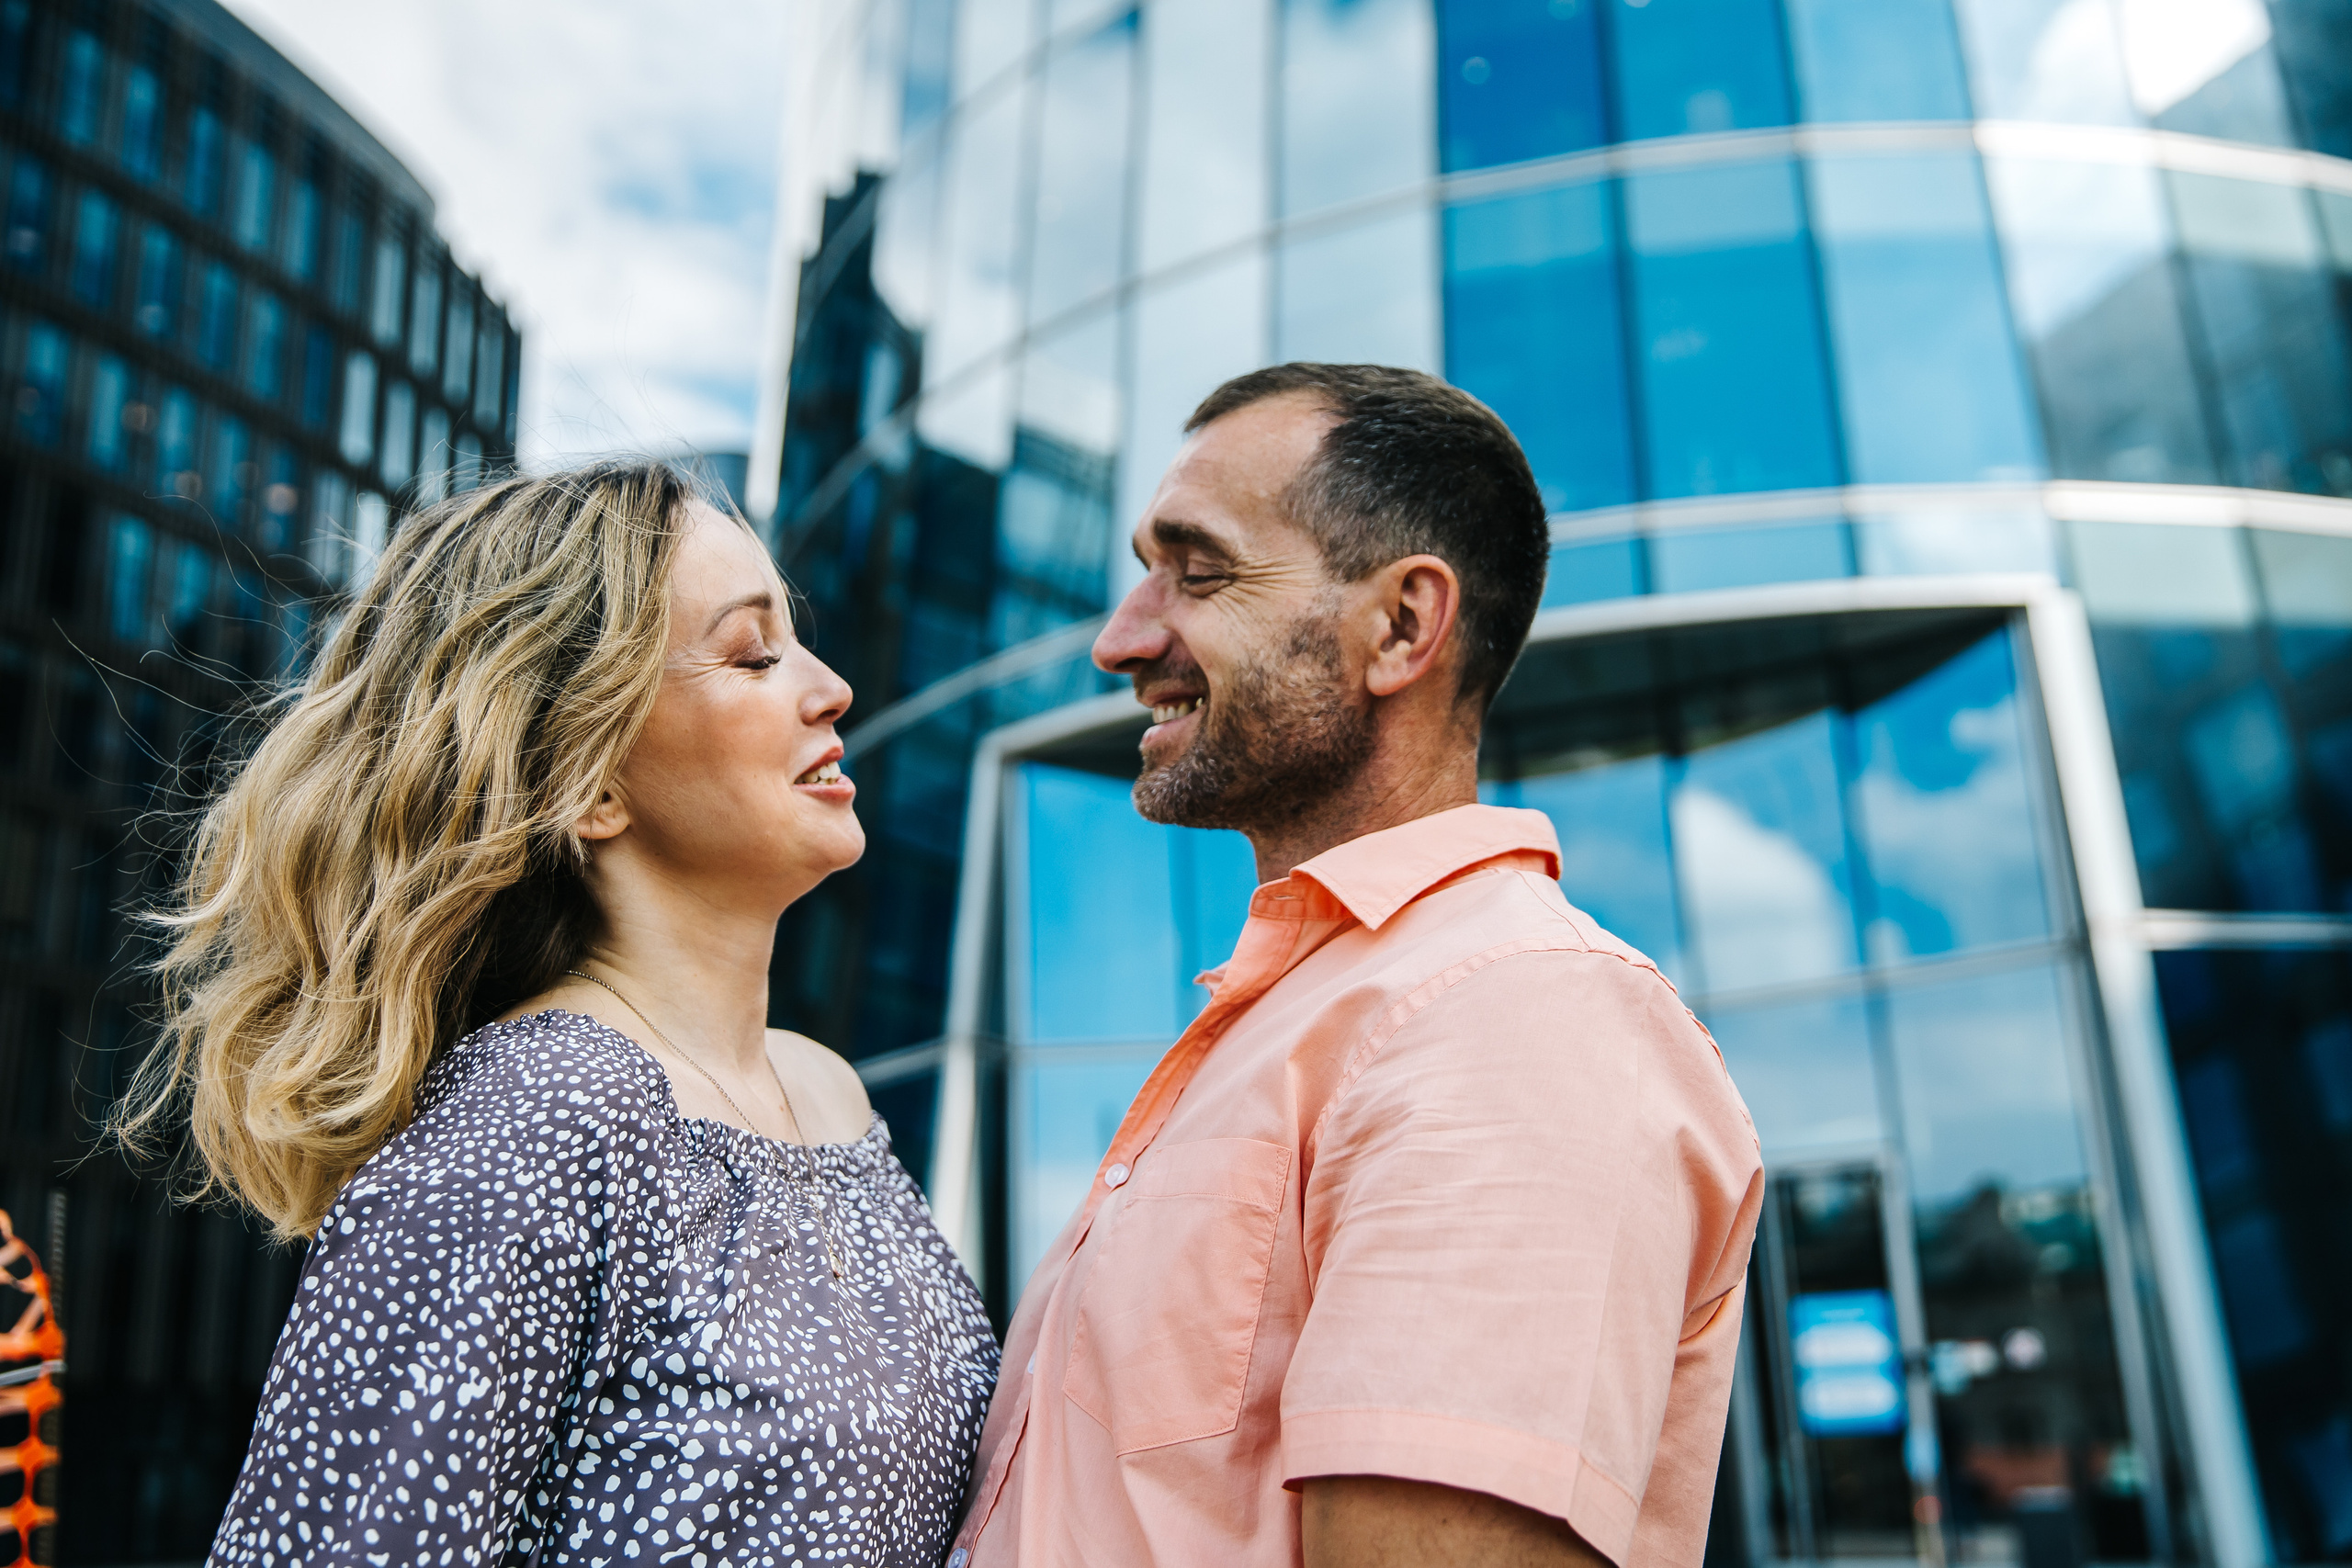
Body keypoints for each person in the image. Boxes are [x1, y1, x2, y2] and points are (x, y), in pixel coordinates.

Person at [948, 366, 1763, 1568]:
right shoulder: (1296, 1017)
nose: (1121, 639)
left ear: (1399, 627)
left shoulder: (1518, 1018)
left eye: (1200, 570)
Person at [119, 462, 999, 1566]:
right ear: (589, 782)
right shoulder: (535, 1115)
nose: (828, 688)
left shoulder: (826, 1088)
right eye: (753, 654)